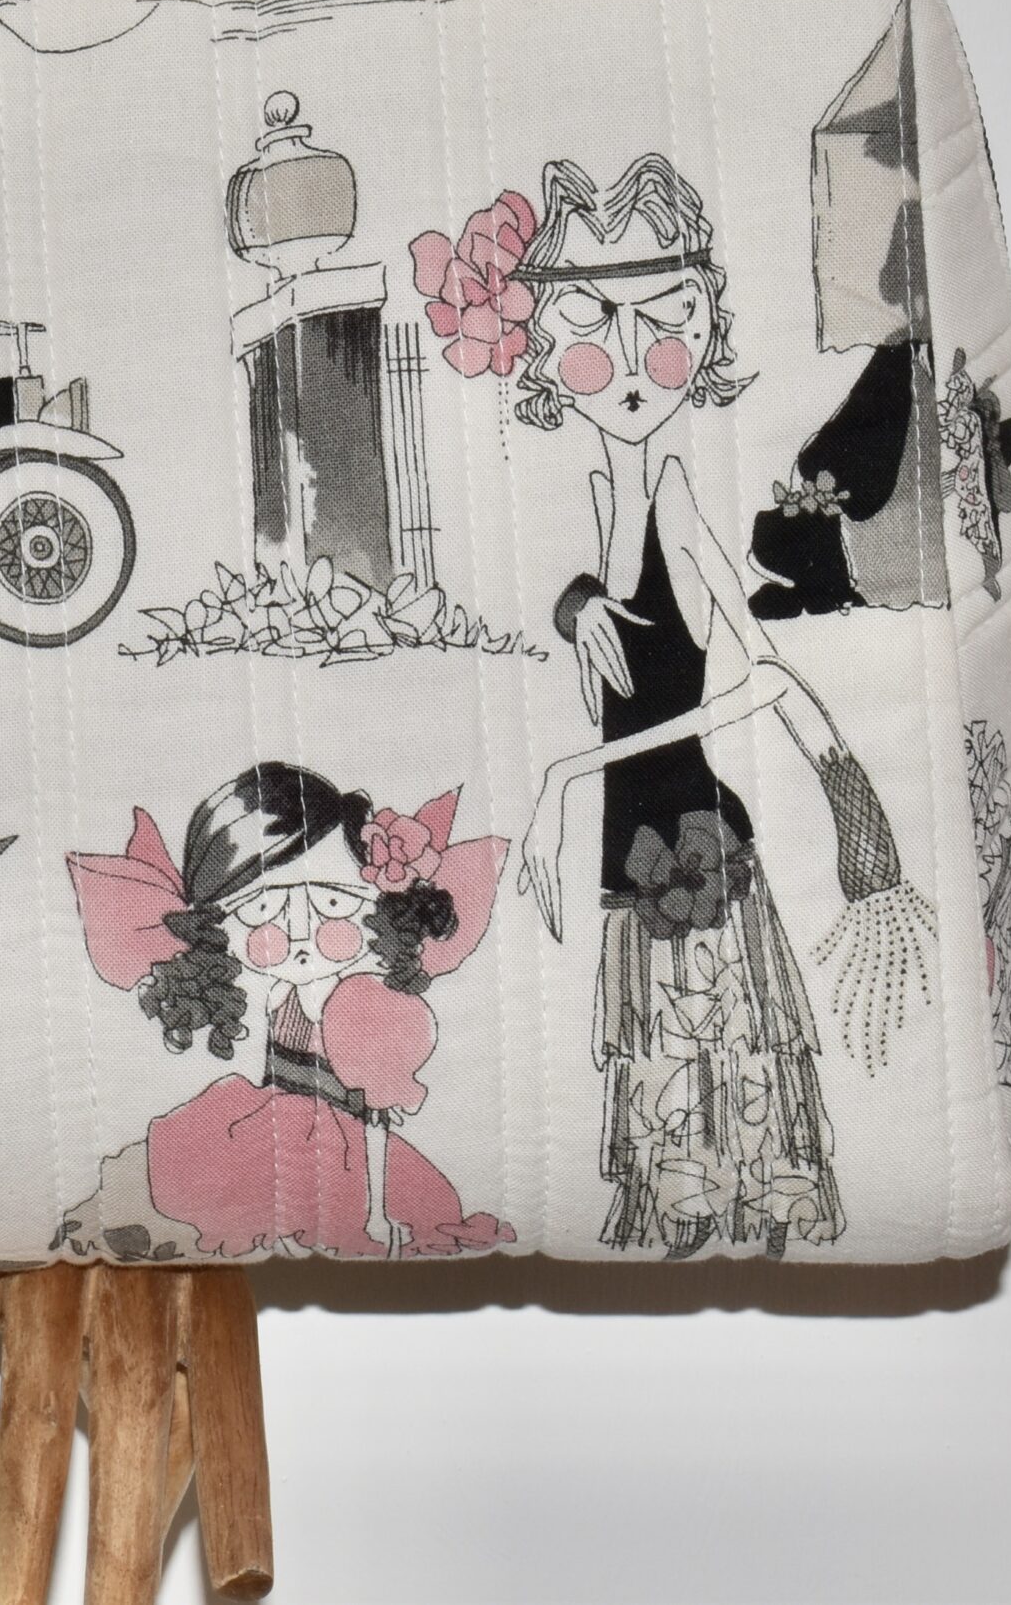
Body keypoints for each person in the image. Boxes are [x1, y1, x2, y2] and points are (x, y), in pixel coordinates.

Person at [494, 154, 934, 1259]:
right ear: (544, 348)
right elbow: (629, 623)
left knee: (713, 1078)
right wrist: (575, 603)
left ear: (704, 331)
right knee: (671, 1091)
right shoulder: (610, 492)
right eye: (592, 328)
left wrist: (568, 772)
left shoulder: (674, 492)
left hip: (690, 845)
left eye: (666, 324)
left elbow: (762, 677)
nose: (632, 364)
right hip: (634, 849)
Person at [65, 763, 514, 1260]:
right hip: (263, 1132)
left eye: (334, 904)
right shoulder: (279, 995)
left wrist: (376, 1214)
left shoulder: (367, 1007)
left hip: (346, 1149)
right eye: (261, 910)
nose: (300, 936)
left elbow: (377, 1118)